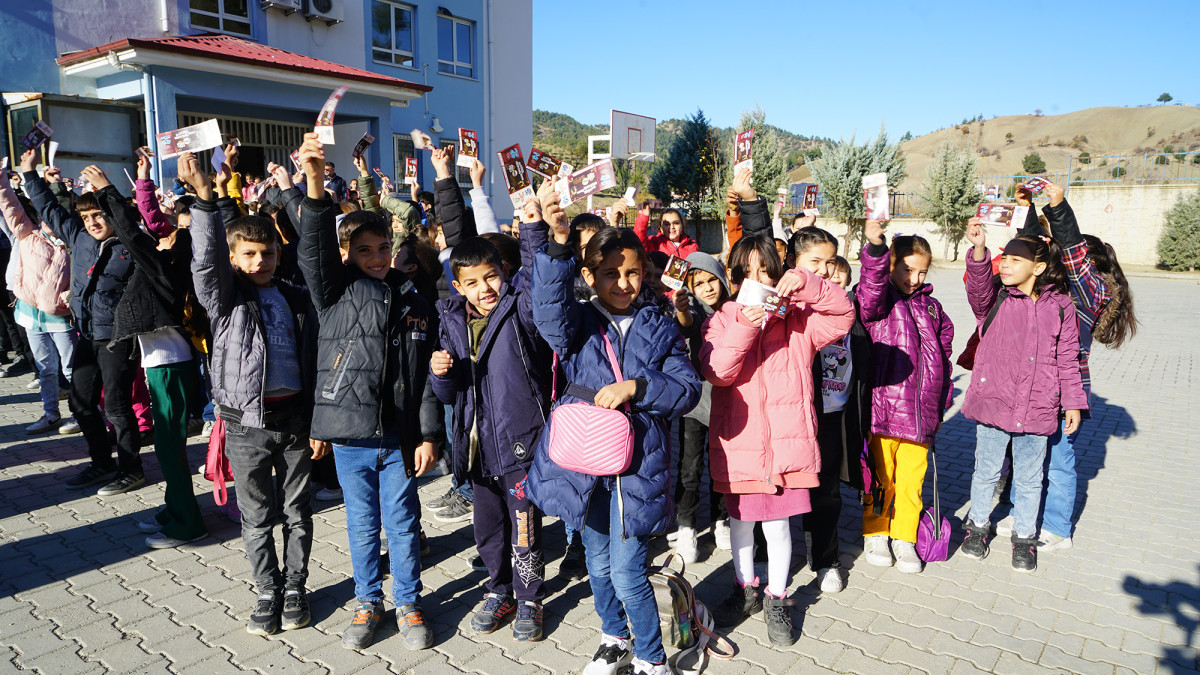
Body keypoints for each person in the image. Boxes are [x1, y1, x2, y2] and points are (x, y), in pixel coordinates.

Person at [525, 179, 700, 675]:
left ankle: (651, 657)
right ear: (589, 273)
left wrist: (638, 388)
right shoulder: (576, 323)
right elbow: (546, 309)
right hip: (584, 465)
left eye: (633, 273)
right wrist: (556, 242)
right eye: (610, 274)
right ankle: (613, 638)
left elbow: (686, 389)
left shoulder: (660, 324)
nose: (623, 284)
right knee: (598, 566)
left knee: (627, 572)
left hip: (638, 467)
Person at [295, 133, 442, 651]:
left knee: (402, 524)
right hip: (349, 436)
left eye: (383, 249)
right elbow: (311, 248)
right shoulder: (333, 291)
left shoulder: (414, 301)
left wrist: (427, 433)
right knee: (361, 525)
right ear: (346, 253)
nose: (377, 258)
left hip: (399, 437)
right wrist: (315, 184)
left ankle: (408, 601)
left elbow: (423, 374)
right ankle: (366, 601)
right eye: (364, 250)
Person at [185, 151, 321, 632]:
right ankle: (267, 590)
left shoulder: (296, 298)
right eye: (249, 254)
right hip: (246, 427)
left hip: (295, 423)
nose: (260, 261)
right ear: (234, 258)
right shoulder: (226, 300)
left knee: (298, 513)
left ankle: (296, 588)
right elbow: (205, 266)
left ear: (278, 255)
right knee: (258, 517)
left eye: (267, 253)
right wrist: (206, 199)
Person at [700, 233, 854, 647]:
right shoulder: (722, 318)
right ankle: (745, 586)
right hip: (740, 449)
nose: (756, 279)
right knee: (741, 524)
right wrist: (746, 324)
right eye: (746, 272)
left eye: (764, 271)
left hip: (787, 448)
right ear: (734, 277)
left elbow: (843, 314)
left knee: (779, 525)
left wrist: (808, 283)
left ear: (778, 273)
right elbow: (718, 371)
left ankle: (778, 597)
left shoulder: (800, 320)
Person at [429, 223, 551, 642]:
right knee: (488, 530)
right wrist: (439, 374)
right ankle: (499, 589)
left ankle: (530, 597)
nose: (485, 288)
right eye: (473, 282)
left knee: (525, 529)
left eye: (491, 276)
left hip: (519, 445)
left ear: (505, 272)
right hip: (477, 449)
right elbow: (450, 394)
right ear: (458, 286)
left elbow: (537, 278)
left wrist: (534, 228)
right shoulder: (450, 318)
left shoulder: (520, 310)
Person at [959, 218, 1088, 573]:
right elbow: (978, 286)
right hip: (994, 403)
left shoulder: (1060, 306)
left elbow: (1067, 359)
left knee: (1031, 479)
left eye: (1015, 260)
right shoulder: (995, 300)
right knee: (985, 472)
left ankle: (1024, 539)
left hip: (1038, 406)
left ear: (1039, 267)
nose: (1006, 265)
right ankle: (977, 528)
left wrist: (1073, 401)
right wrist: (981, 250)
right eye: (1005, 259)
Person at [22, 151, 142, 495]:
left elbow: (129, 218)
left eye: (98, 214)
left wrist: (109, 194)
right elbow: (49, 209)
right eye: (86, 216)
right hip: (88, 334)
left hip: (119, 337)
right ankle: (102, 464)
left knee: (117, 406)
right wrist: (30, 175)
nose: (92, 221)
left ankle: (131, 469)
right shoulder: (79, 238)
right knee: (81, 402)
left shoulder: (131, 242)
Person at [1036, 182, 1136, 552]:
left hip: (1068, 390)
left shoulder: (1091, 289)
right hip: (1042, 385)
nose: (1062, 260)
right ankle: (1024, 513)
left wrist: (1059, 208)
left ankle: (1059, 530)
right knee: (1032, 455)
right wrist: (1031, 211)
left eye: (1068, 256)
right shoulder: (1064, 290)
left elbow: (1073, 255)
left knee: (1060, 461)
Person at [856, 219, 954, 575]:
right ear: (893, 264)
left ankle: (904, 536)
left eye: (922, 272)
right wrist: (876, 249)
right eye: (907, 269)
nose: (915, 279)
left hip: (921, 417)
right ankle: (876, 532)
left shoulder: (933, 308)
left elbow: (943, 356)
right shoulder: (880, 301)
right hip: (882, 412)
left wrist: (942, 403)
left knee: (913, 481)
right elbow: (868, 292)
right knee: (880, 479)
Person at [0, 159, 74, 434]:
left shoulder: (70, 242)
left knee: (71, 368)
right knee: (45, 369)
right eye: (45, 214)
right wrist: (2, 180)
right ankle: (50, 414)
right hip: (31, 314)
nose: (49, 219)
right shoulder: (27, 234)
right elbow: (10, 206)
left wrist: (71, 294)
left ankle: (81, 414)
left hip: (60, 315)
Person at [669, 252, 732, 562]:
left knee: (723, 466)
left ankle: (722, 520)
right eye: (699, 283)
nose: (707, 287)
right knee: (690, 468)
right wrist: (681, 309)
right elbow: (689, 326)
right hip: (696, 403)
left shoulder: (735, 309)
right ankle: (686, 527)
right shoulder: (690, 307)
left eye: (711, 280)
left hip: (729, 400)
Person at [633, 203, 699, 259]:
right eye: (667, 224)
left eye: (676, 223)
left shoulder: (692, 246)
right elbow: (638, 241)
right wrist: (643, 217)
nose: (672, 227)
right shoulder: (654, 243)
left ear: (682, 225)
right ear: (661, 228)